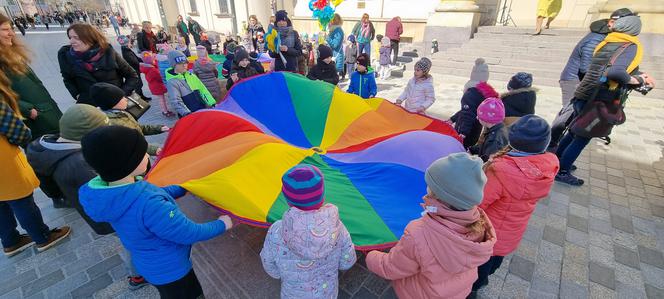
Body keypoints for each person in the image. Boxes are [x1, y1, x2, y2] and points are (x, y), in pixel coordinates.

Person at [78, 125, 233, 299]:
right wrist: (223, 224)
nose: (147, 155)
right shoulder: (149, 204)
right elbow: (189, 232)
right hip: (173, 270)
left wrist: (182, 188)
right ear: (128, 164)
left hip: (148, 263)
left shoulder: (111, 191)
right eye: (142, 153)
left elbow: (148, 192)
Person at [366, 153, 496, 299]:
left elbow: (391, 267)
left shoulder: (418, 234)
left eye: (430, 184)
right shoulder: (481, 225)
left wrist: (371, 256)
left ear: (438, 194)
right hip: (457, 292)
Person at [556, 14, 656, 186]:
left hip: (585, 91)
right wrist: (637, 80)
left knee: (574, 130)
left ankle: (557, 162)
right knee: (582, 136)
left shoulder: (609, 41)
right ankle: (562, 170)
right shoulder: (629, 45)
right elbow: (615, 72)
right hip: (599, 97)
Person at [470, 115, 558, 297]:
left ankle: (472, 290)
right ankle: (482, 280)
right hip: (511, 231)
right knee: (494, 260)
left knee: (479, 267)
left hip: (488, 231)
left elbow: (479, 202)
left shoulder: (501, 170)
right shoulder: (546, 167)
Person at [0, 74, 71, 257]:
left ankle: (11, 241)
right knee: (21, 199)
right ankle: (42, 237)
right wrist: (24, 136)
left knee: (1, 203)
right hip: (4, 160)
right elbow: (16, 130)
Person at [260, 164, 356, 298]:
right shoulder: (338, 228)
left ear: (288, 201)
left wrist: (280, 274)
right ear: (322, 196)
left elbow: (268, 261)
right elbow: (348, 260)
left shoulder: (276, 231)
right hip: (326, 293)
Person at [552, 9, 634, 149]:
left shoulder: (608, 38)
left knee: (574, 117)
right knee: (568, 113)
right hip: (574, 79)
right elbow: (586, 67)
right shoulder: (597, 38)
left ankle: (557, 146)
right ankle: (551, 143)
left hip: (583, 82)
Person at [26, 104, 112, 232]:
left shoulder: (50, 145)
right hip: (110, 220)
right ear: (86, 135)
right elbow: (106, 198)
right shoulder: (79, 164)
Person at [1, 14, 63, 141]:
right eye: (5, 30)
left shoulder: (10, 53)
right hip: (34, 120)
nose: (11, 33)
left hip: (46, 111)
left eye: (11, 29)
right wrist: (28, 110)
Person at [58, 23, 140, 105]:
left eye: (76, 37)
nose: (71, 41)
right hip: (91, 107)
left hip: (117, 106)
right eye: (70, 37)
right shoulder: (66, 56)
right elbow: (67, 79)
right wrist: (78, 95)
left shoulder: (107, 51)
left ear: (89, 38)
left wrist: (120, 95)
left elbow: (132, 76)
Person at [90, 82, 168, 156]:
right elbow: (130, 144)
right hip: (136, 157)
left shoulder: (123, 112)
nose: (126, 99)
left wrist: (159, 128)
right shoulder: (112, 124)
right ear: (112, 103)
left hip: (142, 151)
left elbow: (137, 128)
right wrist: (154, 150)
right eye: (122, 98)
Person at [559, 19, 610, 106]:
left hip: (576, 80)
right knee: (569, 113)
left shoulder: (595, 37)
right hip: (573, 81)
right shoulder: (594, 41)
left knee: (574, 113)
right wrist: (604, 79)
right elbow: (586, 68)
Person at [165, 50, 216, 117]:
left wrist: (212, 103)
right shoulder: (172, 82)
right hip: (188, 115)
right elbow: (176, 101)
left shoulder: (191, 75)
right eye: (180, 63)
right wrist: (186, 113)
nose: (184, 65)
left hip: (201, 109)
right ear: (174, 65)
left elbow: (203, 90)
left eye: (185, 63)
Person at [451, 81, 499, 148]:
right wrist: (452, 119)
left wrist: (463, 133)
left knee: (461, 148)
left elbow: (467, 115)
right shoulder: (480, 98)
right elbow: (466, 110)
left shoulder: (469, 96)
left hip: (466, 135)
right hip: (475, 133)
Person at [469, 98, 508, 162]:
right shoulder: (497, 129)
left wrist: (474, 162)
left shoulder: (494, 140)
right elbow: (485, 146)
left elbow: (488, 160)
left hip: (489, 169)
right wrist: (472, 150)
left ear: (486, 119)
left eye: (479, 116)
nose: (477, 118)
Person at [118, 35, 151, 102]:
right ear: (126, 44)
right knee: (138, 85)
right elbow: (134, 61)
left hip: (136, 69)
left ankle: (142, 97)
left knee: (140, 84)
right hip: (133, 70)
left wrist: (143, 60)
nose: (131, 44)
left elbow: (136, 58)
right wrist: (143, 63)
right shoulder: (126, 52)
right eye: (130, 42)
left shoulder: (127, 50)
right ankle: (140, 99)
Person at [140, 52, 174, 117]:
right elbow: (159, 78)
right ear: (150, 61)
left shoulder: (147, 68)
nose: (155, 61)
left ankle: (164, 110)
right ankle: (165, 111)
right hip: (158, 87)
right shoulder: (153, 70)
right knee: (162, 100)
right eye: (153, 60)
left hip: (154, 86)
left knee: (161, 99)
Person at [327, 14, 345, 78]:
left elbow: (335, 45)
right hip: (333, 56)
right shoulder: (333, 30)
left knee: (335, 82)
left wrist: (327, 38)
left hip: (336, 57)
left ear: (333, 21)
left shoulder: (338, 31)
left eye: (330, 20)